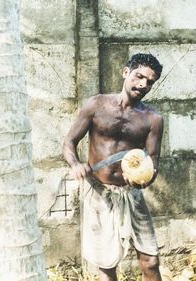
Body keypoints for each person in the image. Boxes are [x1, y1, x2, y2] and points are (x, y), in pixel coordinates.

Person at [62, 53, 164, 281]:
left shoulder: (152, 119)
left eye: (150, 82)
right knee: (106, 265)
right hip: (99, 192)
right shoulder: (96, 105)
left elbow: (154, 161)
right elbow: (69, 143)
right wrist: (76, 164)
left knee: (150, 260)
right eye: (139, 77)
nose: (143, 85)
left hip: (132, 194)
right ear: (126, 72)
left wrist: (145, 179)